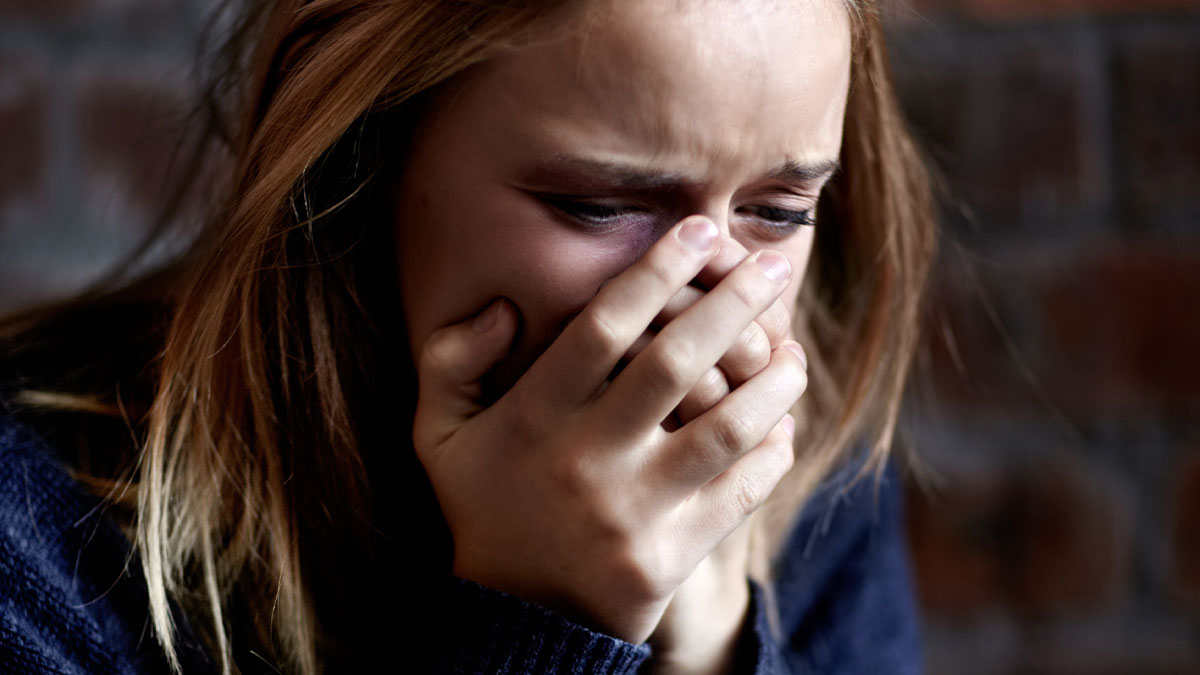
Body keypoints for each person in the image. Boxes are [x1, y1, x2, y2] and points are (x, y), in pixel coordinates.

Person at [0, 0, 936, 672]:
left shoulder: (812, 478)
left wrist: (716, 650)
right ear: (361, 157)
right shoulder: (34, 535)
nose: (704, 303)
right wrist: (541, 623)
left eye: (777, 212)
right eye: (597, 206)